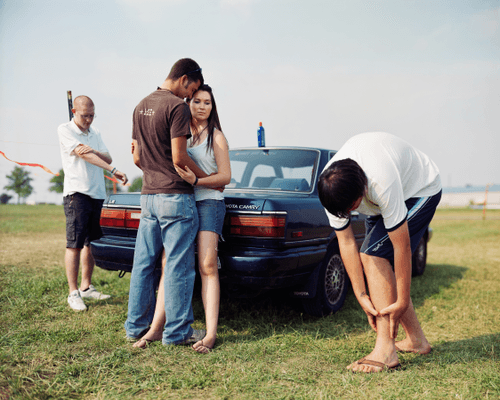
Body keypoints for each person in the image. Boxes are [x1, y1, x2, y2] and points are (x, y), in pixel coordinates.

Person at [318, 132, 441, 373]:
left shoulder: (380, 180)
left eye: (353, 208)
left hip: (420, 189)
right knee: (371, 254)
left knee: (373, 254)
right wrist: (360, 293)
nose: (350, 213)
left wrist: (402, 300)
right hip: (381, 197)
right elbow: (346, 242)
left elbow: (401, 247)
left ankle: (386, 350)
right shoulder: (331, 190)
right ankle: (417, 341)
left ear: (362, 188)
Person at [132, 84, 231, 353]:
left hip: (209, 202)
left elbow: (225, 178)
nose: (201, 106)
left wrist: (198, 179)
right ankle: (155, 329)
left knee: (207, 265)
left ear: (213, 107)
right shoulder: (180, 134)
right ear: (188, 103)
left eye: (207, 102)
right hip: (180, 200)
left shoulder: (217, 137)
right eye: (197, 101)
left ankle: (210, 334)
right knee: (169, 264)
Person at [124, 58, 208, 346]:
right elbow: (179, 157)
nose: (190, 96)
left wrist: (154, 173)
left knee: (143, 264)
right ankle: (177, 333)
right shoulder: (176, 107)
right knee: (177, 266)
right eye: (192, 89)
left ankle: (135, 326)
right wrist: (209, 177)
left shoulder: (140, 105)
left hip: (148, 198)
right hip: (175, 197)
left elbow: (136, 157)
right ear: (184, 79)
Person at [57, 95, 128, 311]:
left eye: (92, 115)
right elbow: (86, 156)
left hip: (96, 193)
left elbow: (106, 156)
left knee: (91, 242)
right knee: (75, 243)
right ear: (73, 112)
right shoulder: (65, 130)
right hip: (77, 193)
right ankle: (73, 292)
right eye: (84, 116)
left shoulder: (94, 133)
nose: (89, 120)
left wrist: (93, 150)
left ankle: (86, 287)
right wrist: (113, 171)